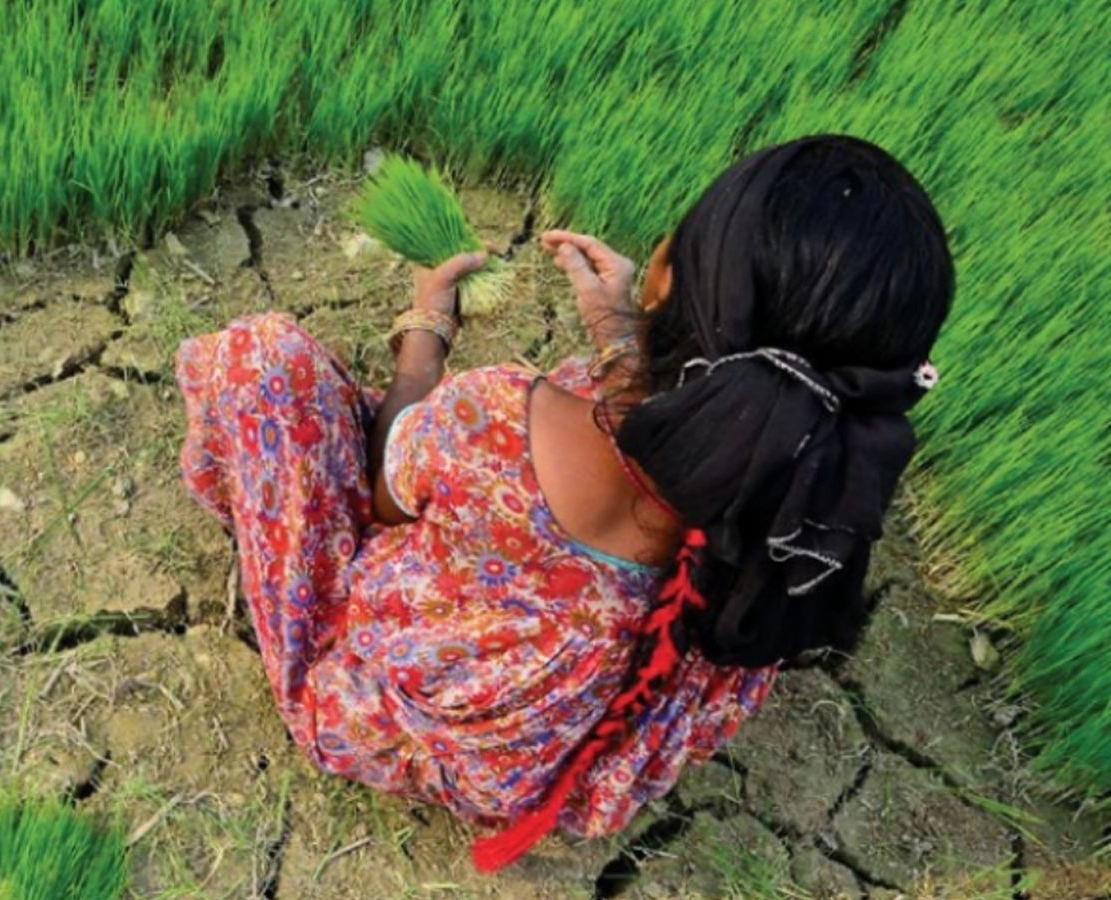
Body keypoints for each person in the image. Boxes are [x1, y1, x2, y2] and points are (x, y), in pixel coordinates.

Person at [175, 135, 953, 871]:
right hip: (550, 765)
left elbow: (383, 498)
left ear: (661, 274)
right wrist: (620, 336)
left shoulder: (494, 418)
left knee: (261, 359)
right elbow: (691, 442)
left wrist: (425, 335)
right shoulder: (808, 501)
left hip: (398, 722)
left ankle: (308, 667)